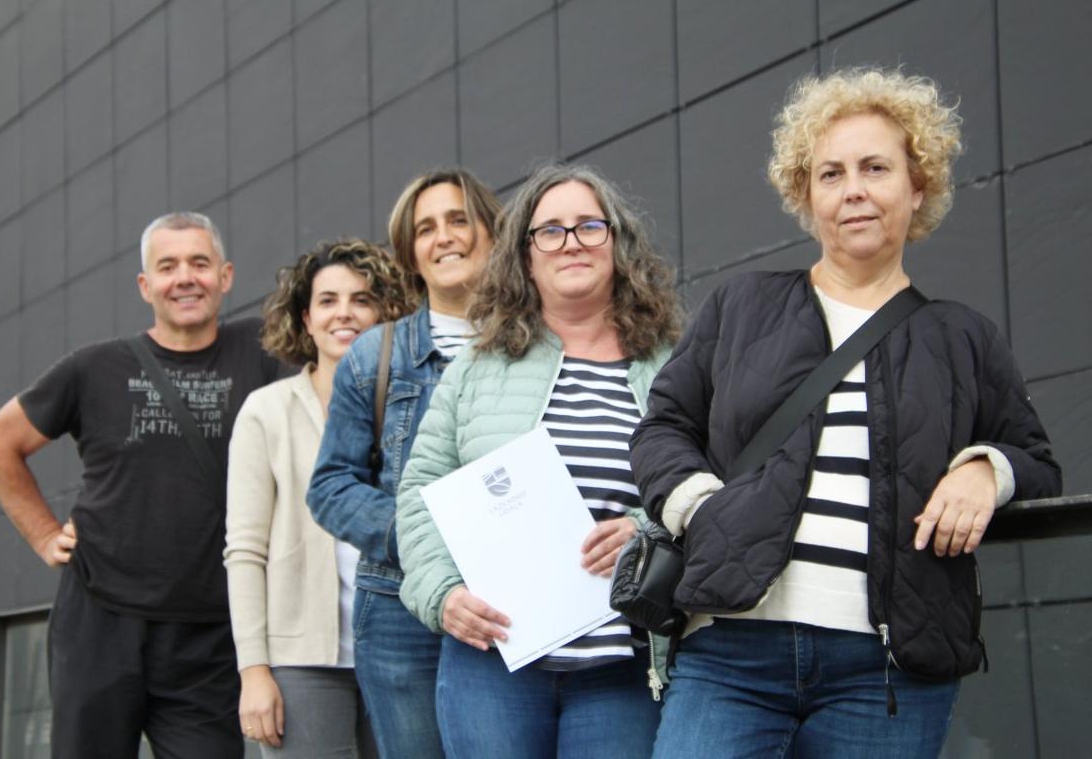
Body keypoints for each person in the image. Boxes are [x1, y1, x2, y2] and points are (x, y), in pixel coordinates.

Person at [631, 68, 1063, 758]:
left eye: (875, 167)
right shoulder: (741, 307)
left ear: (917, 186)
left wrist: (988, 470)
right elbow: (664, 427)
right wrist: (700, 509)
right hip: (731, 652)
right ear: (807, 195)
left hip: (889, 670)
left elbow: (1037, 462)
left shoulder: (964, 336)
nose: (853, 189)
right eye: (830, 173)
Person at [396, 163, 683, 758]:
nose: (571, 241)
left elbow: (710, 489)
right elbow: (420, 488)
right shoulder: (477, 367)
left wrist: (645, 530)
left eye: (588, 226)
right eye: (549, 230)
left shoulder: (671, 367)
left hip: (622, 666)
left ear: (617, 244)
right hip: (491, 659)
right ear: (526, 256)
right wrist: (442, 593)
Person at [0, 212, 282, 759]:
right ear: (146, 286)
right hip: (100, 618)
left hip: (210, 630)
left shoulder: (262, 356)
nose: (185, 277)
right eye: (167, 266)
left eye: (199, 263)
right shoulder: (92, 369)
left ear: (226, 276)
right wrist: (44, 534)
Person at [307, 168, 501, 758]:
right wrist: (421, 540)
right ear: (410, 254)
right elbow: (331, 487)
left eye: (459, 219)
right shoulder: (376, 355)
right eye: (425, 228)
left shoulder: (536, 343)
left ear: (492, 234)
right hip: (398, 610)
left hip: (509, 599)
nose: (444, 237)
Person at [225, 239, 409, 756]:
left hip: (402, 645)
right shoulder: (267, 412)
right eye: (328, 300)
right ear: (306, 319)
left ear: (385, 314)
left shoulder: (412, 403)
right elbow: (244, 551)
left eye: (361, 299)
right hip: (301, 661)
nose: (344, 313)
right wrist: (254, 670)